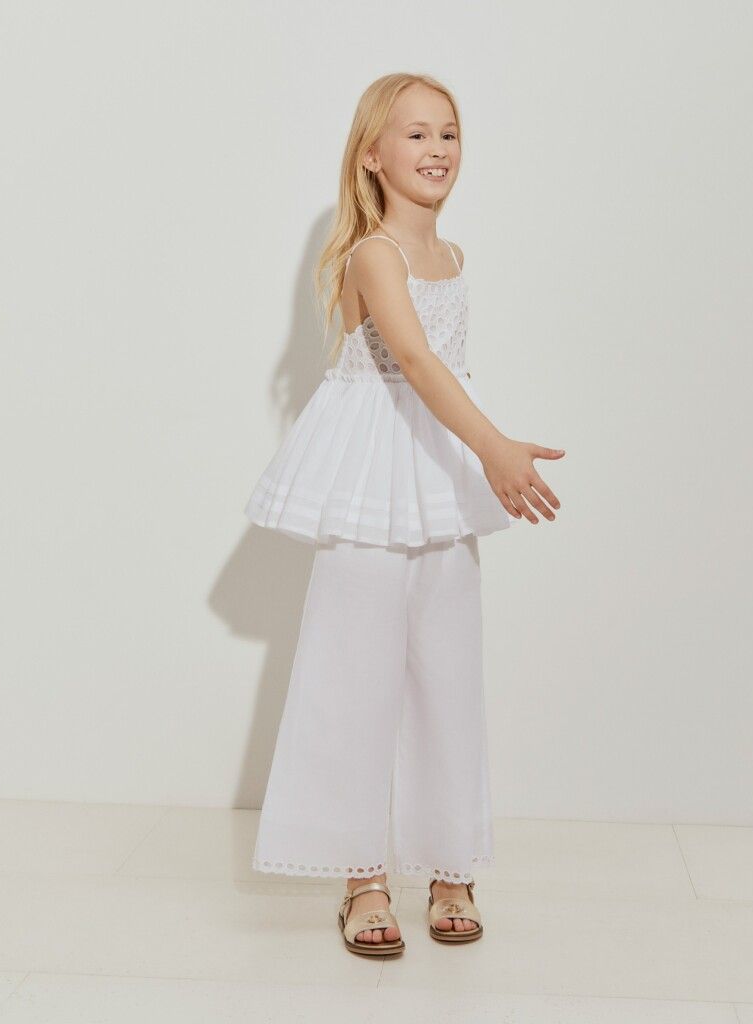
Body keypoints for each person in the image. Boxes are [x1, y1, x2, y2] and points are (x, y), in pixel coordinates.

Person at [243, 72, 565, 957]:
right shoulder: (373, 255)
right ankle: (362, 876)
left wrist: (475, 456)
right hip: (370, 481)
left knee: (446, 675)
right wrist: (496, 449)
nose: (436, 149)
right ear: (371, 156)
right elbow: (416, 364)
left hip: (435, 481)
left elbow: (442, 372)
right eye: (415, 134)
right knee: (354, 678)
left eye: (447, 133)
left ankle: (450, 863)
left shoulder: (452, 258)